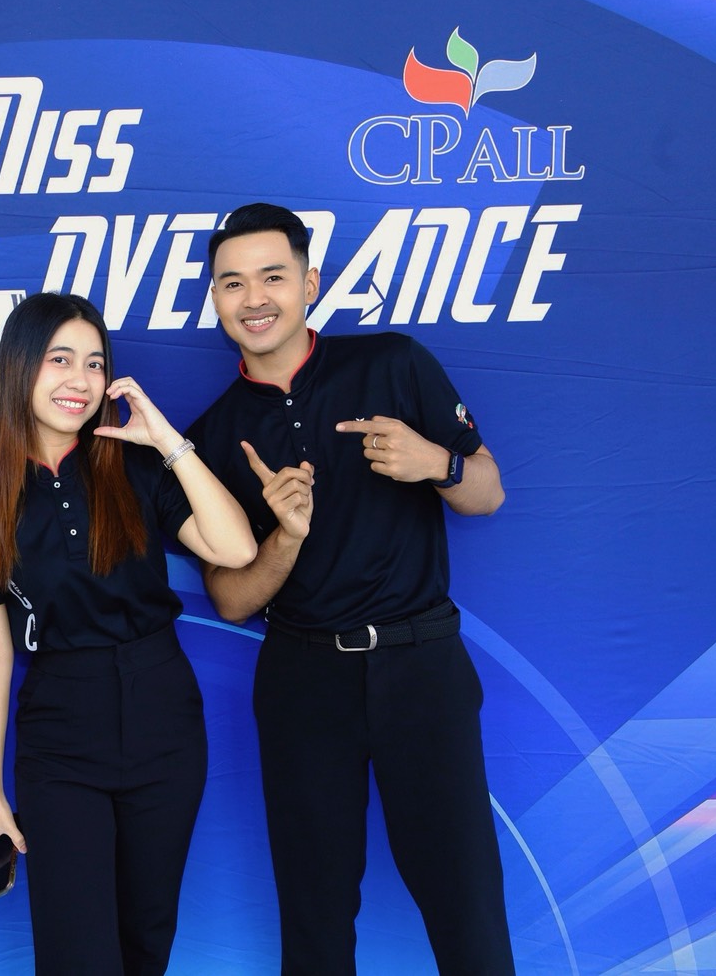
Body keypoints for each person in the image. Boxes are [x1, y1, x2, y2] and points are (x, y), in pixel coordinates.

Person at [186, 202, 513, 974]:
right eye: (232, 283)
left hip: (419, 662)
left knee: (466, 903)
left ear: (308, 284)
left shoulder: (392, 363)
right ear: (215, 298)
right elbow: (231, 599)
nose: (253, 298)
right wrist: (283, 535)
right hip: (302, 677)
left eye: (272, 276)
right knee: (314, 915)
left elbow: (488, 491)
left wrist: (435, 463)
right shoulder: (211, 435)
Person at [0, 292, 256, 975]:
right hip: (60, 732)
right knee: (76, 955)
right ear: (20, 366)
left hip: (162, 715)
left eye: (94, 363)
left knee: (146, 942)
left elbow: (235, 549)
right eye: (60, 359)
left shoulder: (137, 467)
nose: (80, 380)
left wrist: (169, 443)